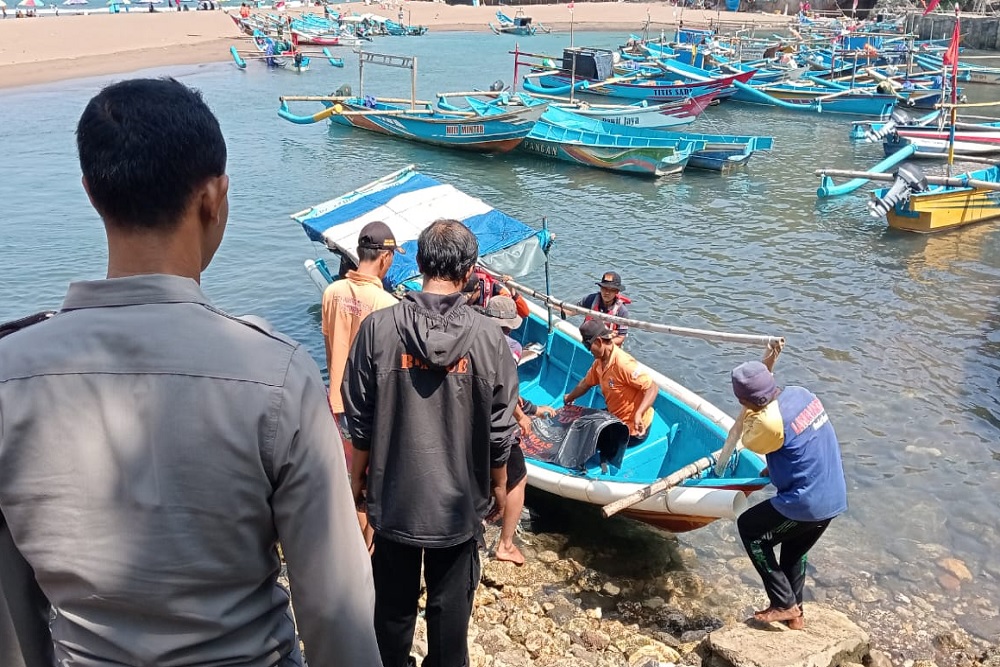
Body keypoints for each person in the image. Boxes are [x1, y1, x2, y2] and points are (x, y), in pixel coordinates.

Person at [0, 78, 381, 667]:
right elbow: (334, 611)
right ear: (213, 198)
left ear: (91, 193)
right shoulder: (276, 377)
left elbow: (13, 612)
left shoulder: (10, 376)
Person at [343, 218, 519, 667]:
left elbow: (359, 422)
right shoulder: (488, 338)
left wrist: (357, 480)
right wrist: (498, 487)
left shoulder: (378, 329)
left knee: (392, 612)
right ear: (470, 270)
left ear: (419, 264)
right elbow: (501, 431)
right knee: (450, 616)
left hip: (395, 497)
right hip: (459, 506)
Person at [731, 361, 848, 630]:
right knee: (794, 552)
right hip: (833, 496)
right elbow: (799, 445)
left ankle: (783, 603)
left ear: (743, 399)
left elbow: (753, 439)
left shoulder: (769, 423)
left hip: (805, 502)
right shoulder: (801, 394)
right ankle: (796, 616)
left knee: (750, 530)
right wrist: (775, 467)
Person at [482, 296, 556, 565]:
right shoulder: (510, 347)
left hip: (470, 424)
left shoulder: (471, 340)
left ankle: (481, 516)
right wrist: (522, 416)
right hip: (498, 425)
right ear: (510, 326)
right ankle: (506, 544)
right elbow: (504, 389)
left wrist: (532, 409)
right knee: (517, 479)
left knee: (484, 473)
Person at [321, 220, 400, 463]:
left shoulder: (332, 293)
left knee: (350, 465)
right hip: (370, 410)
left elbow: (329, 348)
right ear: (385, 257)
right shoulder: (388, 305)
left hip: (338, 401)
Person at [563, 320, 657, 442]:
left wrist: (639, 413)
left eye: (588, 346)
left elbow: (652, 387)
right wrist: (569, 397)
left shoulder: (624, 364)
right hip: (614, 416)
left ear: (598, 341)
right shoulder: (599, 362)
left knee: (586, 439)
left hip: (633, 428)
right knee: (577, 422)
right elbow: (585, 384)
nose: (588, 350)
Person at [566, 270, 630, 346]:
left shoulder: (622, 311)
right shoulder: (591, 299)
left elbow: (621, 337)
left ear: (617, 292)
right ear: (600, 288)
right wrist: (553, 305)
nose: (607, 292)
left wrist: (602, 344)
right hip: (587, 341)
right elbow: (572, 311)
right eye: (604, 288)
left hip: (607, 346)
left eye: (611, 290)